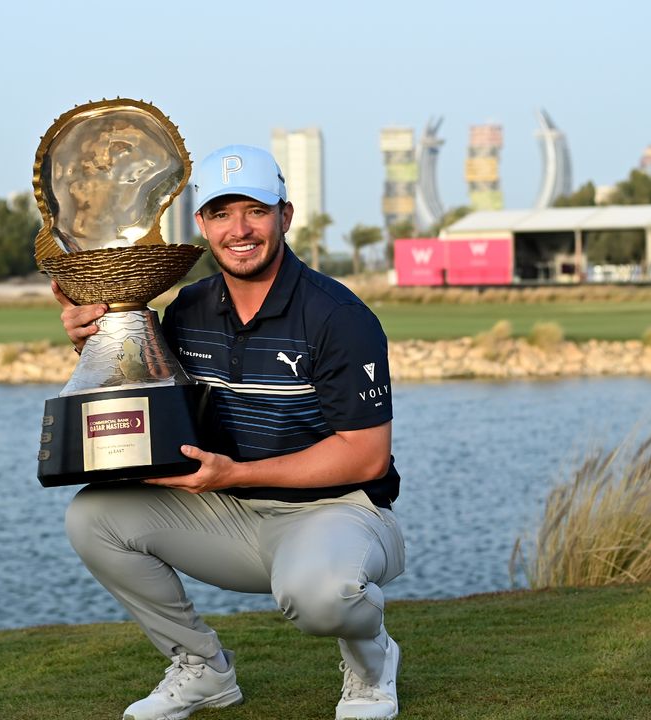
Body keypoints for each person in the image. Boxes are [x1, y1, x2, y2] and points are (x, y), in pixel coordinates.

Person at [54, 144, 405, 720]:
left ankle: (372, 664)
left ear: (285, 217)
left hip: (340, 513)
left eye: (256, 211)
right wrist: (96, 337)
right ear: (202, 224)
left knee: (321, 597)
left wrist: (235, 473)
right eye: (221, 213)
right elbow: (142, 400)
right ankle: (202, 671)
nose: (239, 230)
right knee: (92, 516)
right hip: (229, 513)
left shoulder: (339, 318)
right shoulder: (188, 308)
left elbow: (366, 457)